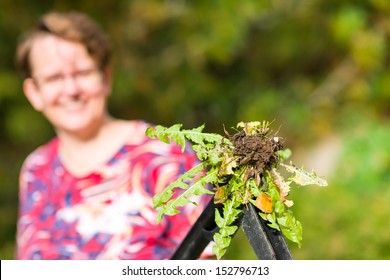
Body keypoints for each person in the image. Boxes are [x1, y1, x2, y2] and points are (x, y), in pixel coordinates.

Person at [15, 11, 211, 260]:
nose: (71, 89)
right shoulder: (36, 170)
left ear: (106, 78)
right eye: (54, 78)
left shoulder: (164, 154)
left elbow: (207, 265)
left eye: (83, 73)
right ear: (34, 92)